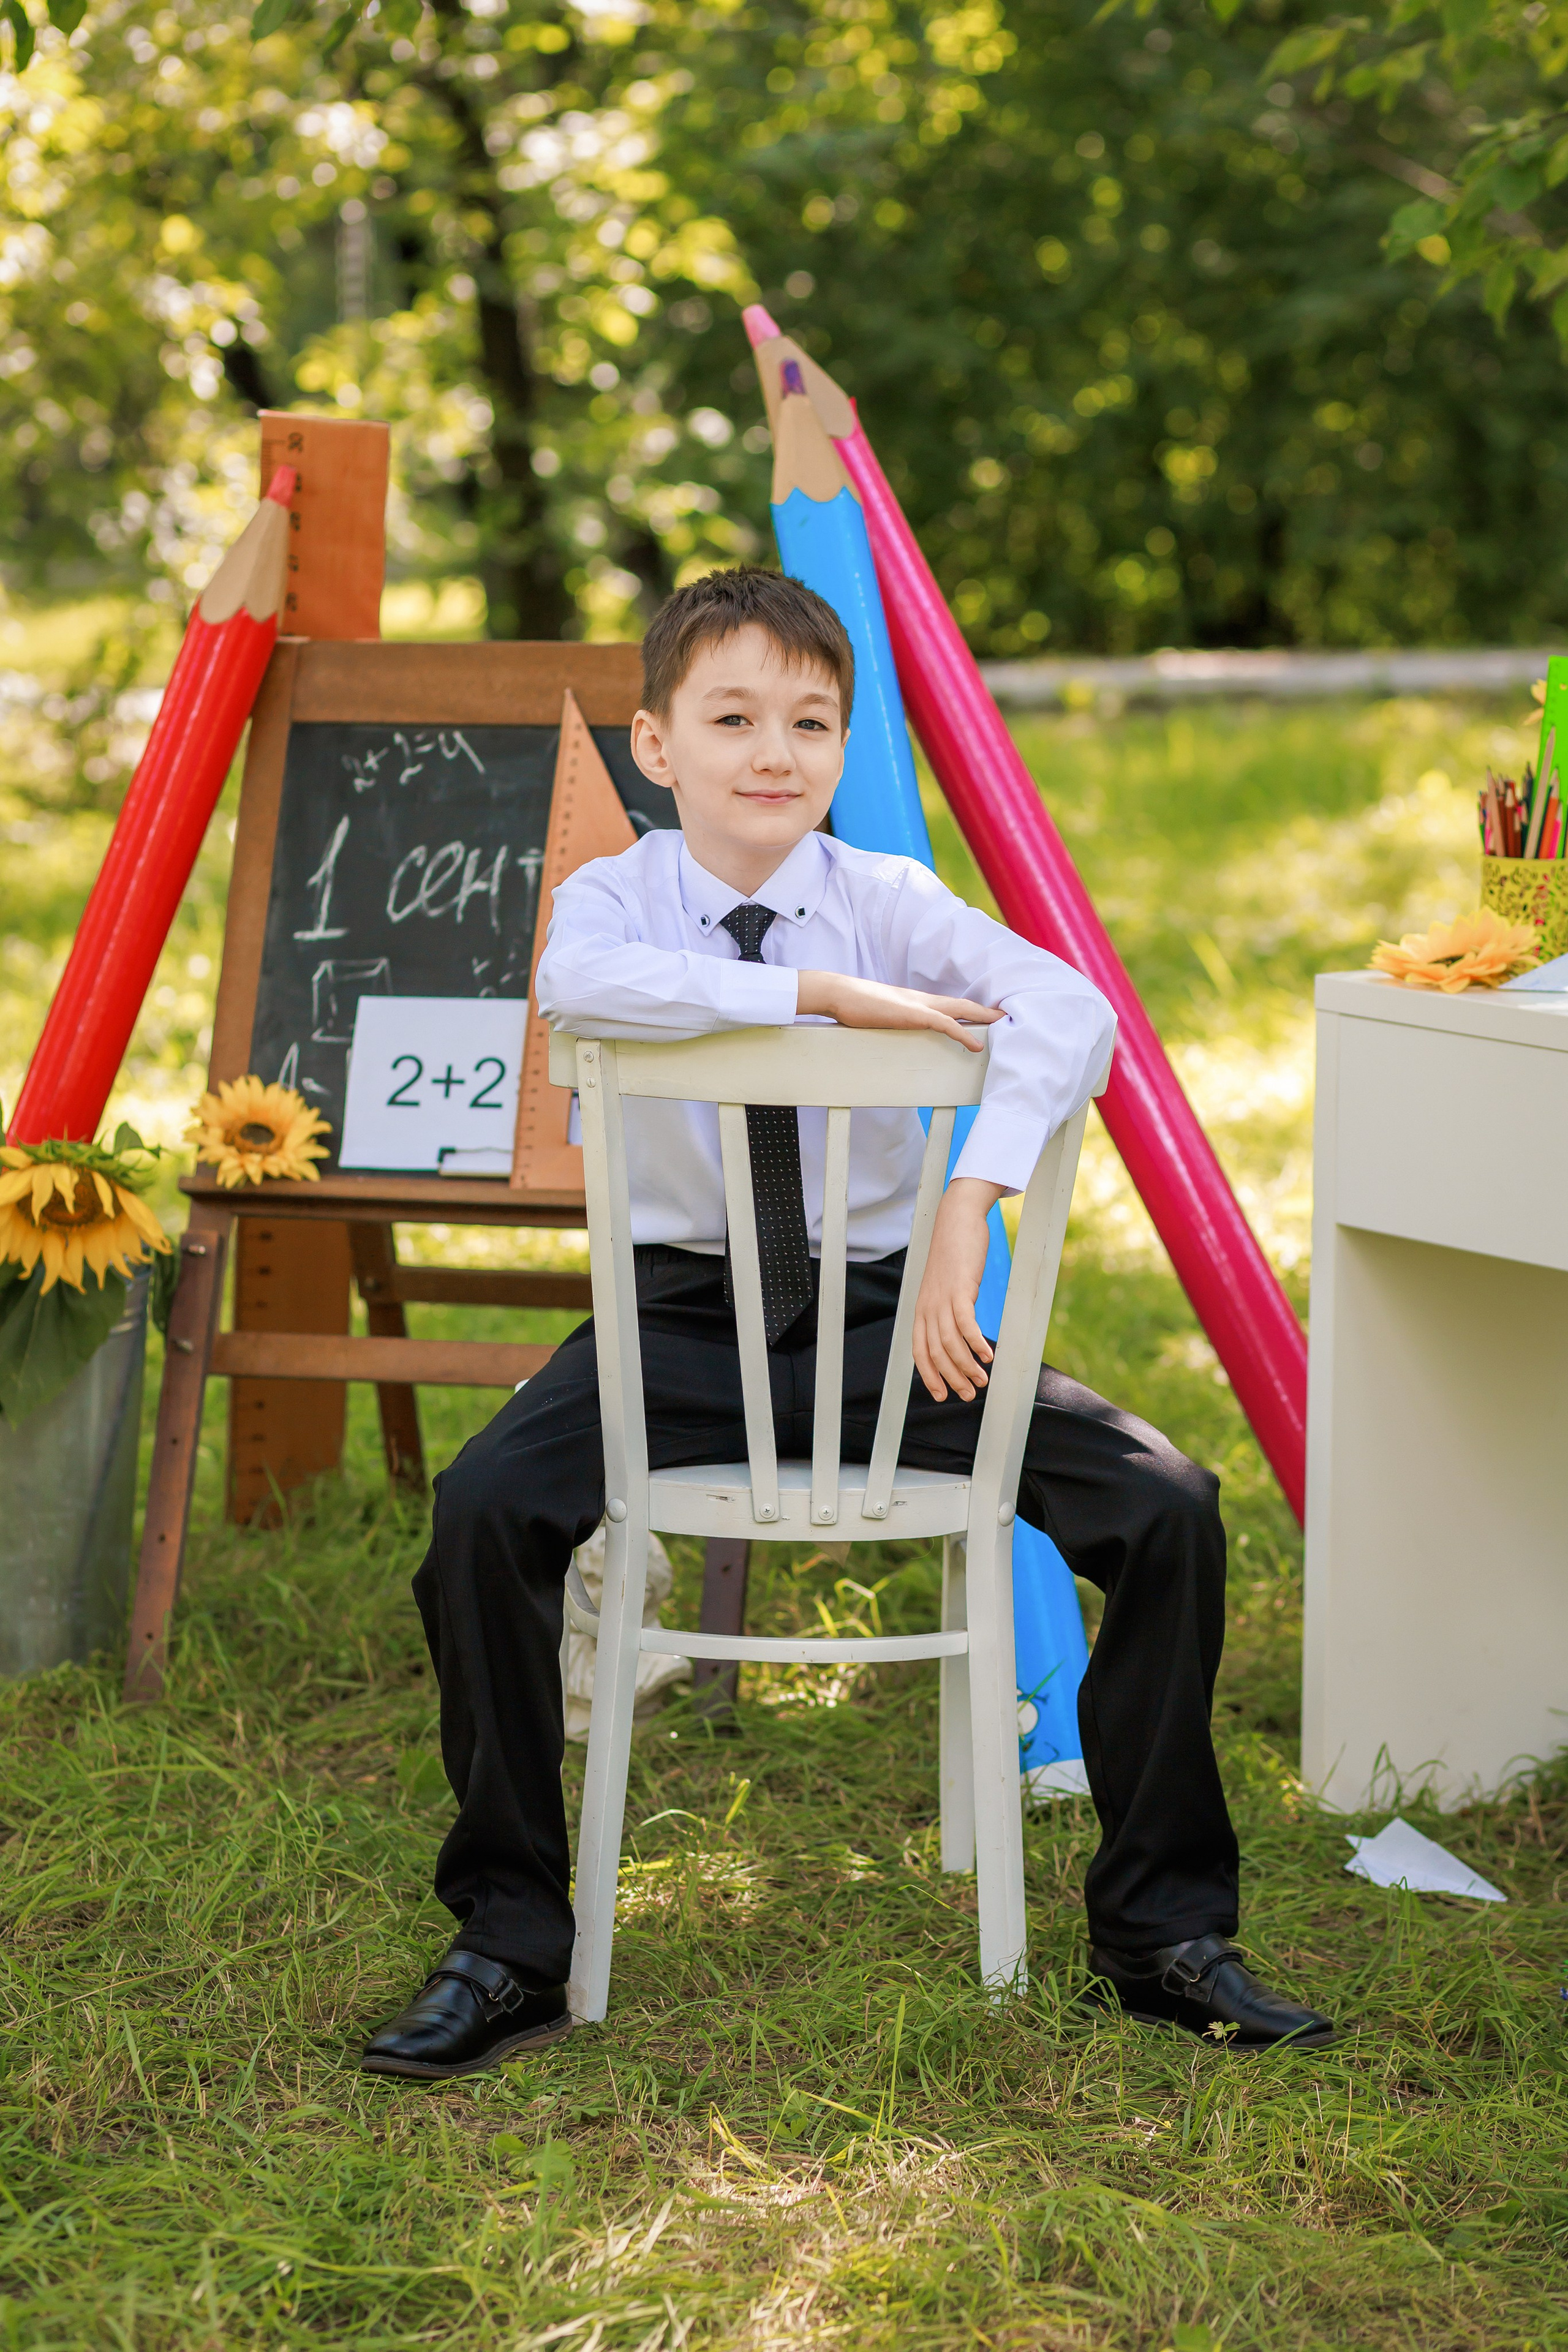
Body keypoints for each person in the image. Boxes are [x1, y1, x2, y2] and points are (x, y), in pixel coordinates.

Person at [361, 567, 1335, 2079]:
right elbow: (579, 988)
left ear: (840, 740)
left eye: (809, 721)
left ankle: (1161, 1931)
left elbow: (1066, 1009)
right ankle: (508, 1941)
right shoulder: (614, 897)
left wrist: (969, 1199)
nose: (775, 752)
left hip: (889, 1332)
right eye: (732, 715)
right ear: (656, 744)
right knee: (482, 1511)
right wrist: (831, 999)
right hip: (673, 1327)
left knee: (1166, 1506)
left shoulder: (888, 894)